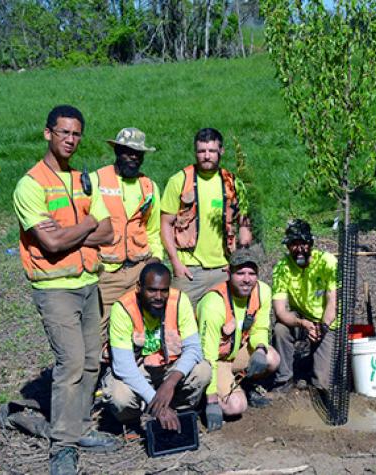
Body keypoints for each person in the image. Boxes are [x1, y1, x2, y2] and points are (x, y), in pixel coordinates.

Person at [13, 105, 117, 474]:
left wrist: (81, 230)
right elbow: (50, 243)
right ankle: (62, 446)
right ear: (48, 134)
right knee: (70, 362)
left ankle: (81, 425)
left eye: (76, 134)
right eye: (63, 133)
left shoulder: (84, 179)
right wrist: (89, 226)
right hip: (55, 287)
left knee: (91, 361)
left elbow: (110, 232)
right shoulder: (31, 184)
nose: (70, 140)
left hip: (89, 282)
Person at [101, 263, 211, 433]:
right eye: (151, 290)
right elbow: (124, 367)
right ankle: (133, 421)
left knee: (202, 370)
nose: (159, 296)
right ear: (139, 287)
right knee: (119, 395)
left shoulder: (179, 301)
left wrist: (171, 382)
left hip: (169, 367)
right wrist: (155, 402)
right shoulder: (123, 309)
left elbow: (194, 349)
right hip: (139, 371)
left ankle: (180, 411)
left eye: (164, 290)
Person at [160, 128, 253, 309]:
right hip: (189, 271)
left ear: (221, 151)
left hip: (223, 270)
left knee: (222, 325)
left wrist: (238, 258)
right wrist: (175, 263)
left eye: (211, 151)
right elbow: (165, 224)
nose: (207, 156)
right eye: (202, 151)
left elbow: (244, 223)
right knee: (181, 324)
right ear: (195, 152)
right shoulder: (179, 181)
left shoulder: (232, 183)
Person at [197, 248, 280, 431]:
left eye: (251, 273)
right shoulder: (213, 304)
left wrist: (259, 348)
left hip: (236, 352)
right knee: (236, 406)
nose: (246, 279)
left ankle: (246, 385)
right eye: (240, 273)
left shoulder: (262, 292)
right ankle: (205, 398)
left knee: (270, 358)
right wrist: (211, 401)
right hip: (216, 361)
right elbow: (207, 357)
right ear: (229, 273)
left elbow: (260, 328)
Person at [94, 128, 162, 344]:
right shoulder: (97, 180)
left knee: (143, 324)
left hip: (139, 268)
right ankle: (99, 371)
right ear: (117, 151)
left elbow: (153, 229)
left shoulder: (149, 187)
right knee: (97, 330)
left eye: (138, 153)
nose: (133, 157)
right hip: (106, 271)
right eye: (127, 151)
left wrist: (155, 261)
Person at [271, 219, 338, 393]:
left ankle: (313, 367)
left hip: (326, 322)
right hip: (301, 320)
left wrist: (322, 327)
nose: (299, 249)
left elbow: (333, 302)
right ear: (287, 247)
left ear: (311, 243)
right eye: (294, 244)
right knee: (280, 329)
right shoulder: (281, 268)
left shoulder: (327, 262)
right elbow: (280, 311)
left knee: (322, 384)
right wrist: (303, 324)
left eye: (303, 244)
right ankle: (284, 379)